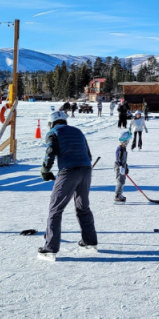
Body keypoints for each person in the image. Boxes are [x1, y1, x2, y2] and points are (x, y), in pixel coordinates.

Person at [37, 110, 97, 260]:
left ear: (51, 123)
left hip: (68, 171)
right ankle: (90, 241)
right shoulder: (78, 131)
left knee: (55, 210)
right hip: (86, 169)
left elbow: (50, 151)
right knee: (83, 206)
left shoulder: (53, 133)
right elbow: (88, 154)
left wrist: (45, 171)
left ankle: (50, 248)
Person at [114, 131, 131, 202]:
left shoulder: (124, 148)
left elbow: (124, 159)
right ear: (124, 141)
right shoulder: (120, 148)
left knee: (123, 180)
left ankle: (120, 194)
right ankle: (117, 195)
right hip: (119, 166)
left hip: (123, 166)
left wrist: (126, 166)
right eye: (127, 140)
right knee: (120, 180)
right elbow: (118, 158)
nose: (128, 142)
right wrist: (120, 166)